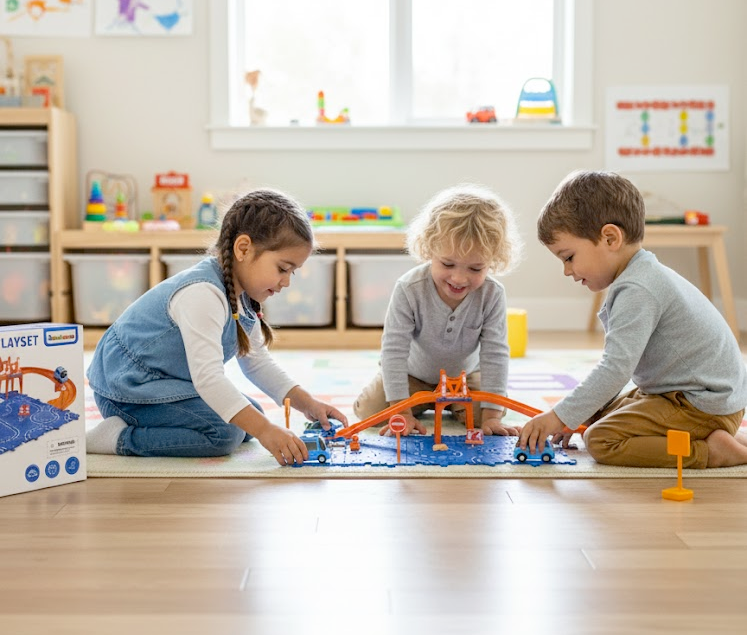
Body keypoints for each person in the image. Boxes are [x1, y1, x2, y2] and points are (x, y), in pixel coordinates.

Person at [86, 188, 347, 463]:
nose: (287, 282)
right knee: (224, 432)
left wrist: (308, 404)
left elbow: (257, 363)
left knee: (250, 414)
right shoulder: (203, 294)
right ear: (243, 249)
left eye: (292, 272)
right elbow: (208, 379)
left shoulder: (242, 296)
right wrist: (265, 430)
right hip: (127, 390)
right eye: (282, 269)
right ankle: (117, 437)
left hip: (164, 382)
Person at [517, 170, 747, 468]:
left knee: (601, 439)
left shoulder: (638, 288)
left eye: (569, 257)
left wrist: (560, 415)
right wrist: (575, 414)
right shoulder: (641, 275)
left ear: (610, 237)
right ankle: (723, 437)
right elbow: (615, 374)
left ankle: (711, 452)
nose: (567, 271)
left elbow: (615, 369)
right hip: (686, 394)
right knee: (595, 412)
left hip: (701, 404)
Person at [353, 184, 522, 436]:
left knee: (483, 413)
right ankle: (420, 402)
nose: (459, 278)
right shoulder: (409, 288)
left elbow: (495, 353)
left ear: (492, 261)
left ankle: (451, 405)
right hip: (414, 376)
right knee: (371, 411)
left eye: (475, 269)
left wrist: (491, 417)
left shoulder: (492, 294)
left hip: (464, 378)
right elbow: (393, 350)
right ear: (430, 248)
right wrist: (401, 410)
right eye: (447, 263)